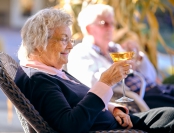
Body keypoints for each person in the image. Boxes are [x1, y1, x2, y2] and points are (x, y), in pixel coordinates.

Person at [14, 8, 174, 133]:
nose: (70, 46)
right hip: (111, 128)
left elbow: (81, 101)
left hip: (118, 121)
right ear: (38, 42)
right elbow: (70, 126)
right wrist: (106, 82)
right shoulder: (37, 79)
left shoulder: (51, 71)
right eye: (64, 39)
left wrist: (113, 108)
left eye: (70, 40)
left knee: (169, 114)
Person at [67, 4, 174, 109]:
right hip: (142, 98)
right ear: (89, 29)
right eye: (104, 23)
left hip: (157, 89)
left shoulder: (116, 48)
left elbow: (150, 76)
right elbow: (90, 85)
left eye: (112, 23)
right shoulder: (80, 53)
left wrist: (138, 59)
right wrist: (118, 69)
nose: (110, 28)